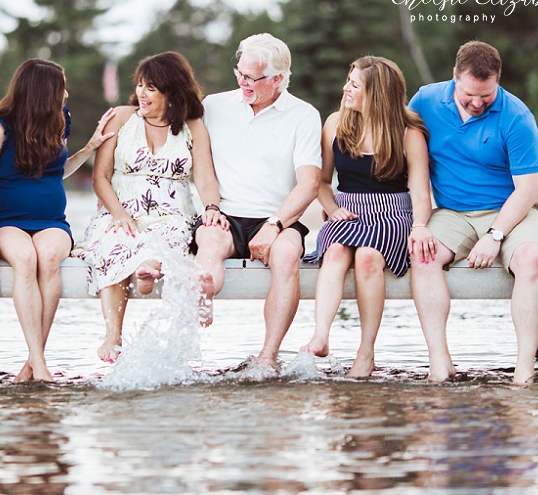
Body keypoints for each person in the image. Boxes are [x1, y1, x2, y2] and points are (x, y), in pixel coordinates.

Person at [0, 59, 116, 382]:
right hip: (8, 220)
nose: (66, 93)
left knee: (50, 257)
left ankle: (32, 361)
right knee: (25, 259)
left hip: (52, 220)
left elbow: (58, 172)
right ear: (43, 93)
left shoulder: (59, 121)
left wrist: (90, 148)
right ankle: (40, 363)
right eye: (61, 87)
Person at [408, 40, 538, 385]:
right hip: (452, 212)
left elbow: (528, 188)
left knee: (531, 259)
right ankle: (440, 364)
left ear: (497, 81)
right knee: (422, 256)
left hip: (511, 212)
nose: (477, 102)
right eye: (469, 93)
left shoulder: (517, 116)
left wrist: (495, 236)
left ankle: (523, 369)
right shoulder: (425, 101)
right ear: (454, 77)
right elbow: (403, 157)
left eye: (486, 96)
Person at [75, 51, 225, 362]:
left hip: (171, 213)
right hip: (121, 210)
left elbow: (206, 178)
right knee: (114, 239)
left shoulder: (192, 126)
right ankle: (113, 335)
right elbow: (101, 178)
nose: (142, 93)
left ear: (171, 92)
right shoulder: (120, 117)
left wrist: (211, 207)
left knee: (171, 236)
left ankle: (149, 269)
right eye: (140, 85)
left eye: (151, 88)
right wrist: (119, 213)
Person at [191, 33, 322, 371]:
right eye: (240, 74)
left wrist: (274, 224)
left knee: (288, 254)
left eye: (253, 78)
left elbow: (309, 184)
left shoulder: (303, 115)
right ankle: (203, 296)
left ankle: (268, 356)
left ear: (278, 79)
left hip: (278, 216)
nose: (243, 82)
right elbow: (199, 166)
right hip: (224, 213)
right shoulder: (214, 107)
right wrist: (211, 208)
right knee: (207, 240)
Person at [301, 56, 434, 377]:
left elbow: (420, 192)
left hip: (391, 214)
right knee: (334, 252)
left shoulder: (408, 132)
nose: (346, 88)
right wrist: (332, 209)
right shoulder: (336, 123)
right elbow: (319, 181)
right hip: (346, 211)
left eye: (355, 84)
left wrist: (419, 227)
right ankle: (321, 335)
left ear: (376, 93)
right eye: (348, 80)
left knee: (368, 259)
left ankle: (366, 352)